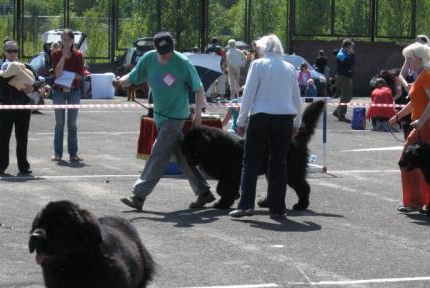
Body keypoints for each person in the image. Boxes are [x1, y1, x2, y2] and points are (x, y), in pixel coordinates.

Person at [113, 31, 215, 212]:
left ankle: (139, 195)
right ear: (155, 48)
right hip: (160, 116)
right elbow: (133, 77)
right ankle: (204, 192)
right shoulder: (148, 59)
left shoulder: (183, 62)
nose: (167, 54)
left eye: (170, 50)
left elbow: (199, 89)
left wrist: (198, 115)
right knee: (183, 157)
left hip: (176, 116)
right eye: (163, 51)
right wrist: (120, 82)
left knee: (158, 154)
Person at [230, 34, 302, 220]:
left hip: (261, 117)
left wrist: (241, 121)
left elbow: (249, 95)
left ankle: (246, 205)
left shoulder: (258, 65)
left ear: (263, 48)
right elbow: (297, 98)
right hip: (285, 118)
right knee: (279, 163)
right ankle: (278, 208)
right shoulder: (289, 68)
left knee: (251, 162)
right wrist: (297, 122)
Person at [387, 42, 430, 214]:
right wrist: (397, 116)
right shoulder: (420, 76)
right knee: (410, 162)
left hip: (429, 124)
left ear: (419, 59)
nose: (407, 62)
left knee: (419, 164)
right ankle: (418, 202)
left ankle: (429, 204)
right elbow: (415, 103)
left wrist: (421, 120)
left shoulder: (426, 75)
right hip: (422, 124)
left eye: (409, 59)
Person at [0, 41, 36, 176]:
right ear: (4, 52)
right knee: (3, 137)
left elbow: (35, 82)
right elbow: (0, 82)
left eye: (15, 51)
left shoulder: (26, 66)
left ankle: (23, 166)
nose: (13, 53)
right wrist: (15, 71)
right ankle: (0, 166)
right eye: (9, 51)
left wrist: (39, 87)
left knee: (22, 137)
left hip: (23, 105)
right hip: (5, 105)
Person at [51, 29, 86, 162]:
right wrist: (63, 58)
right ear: (61, 41)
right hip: (59, 92)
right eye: (63, 39)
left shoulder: (78, 55)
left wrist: (67, 75)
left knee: (72, 124)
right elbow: (57, 73)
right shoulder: (56, 54)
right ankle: (57, 153)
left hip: (73, 92)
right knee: (59, 123)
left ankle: (73, 153)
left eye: (68, 39)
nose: (66, 42)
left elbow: (80, 75)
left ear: (72, 41)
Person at [332, 38, 355, 122]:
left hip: (347, 77)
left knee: (348, 97)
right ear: (346, 47)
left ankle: (337, 111)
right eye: (350, 47)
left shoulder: (346, 53)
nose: (351, 49)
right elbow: (349, 64)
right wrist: (351, 54)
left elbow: (352, 63)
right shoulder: (341, 54)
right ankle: (341, 115)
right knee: (345, 96)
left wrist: (351, 54)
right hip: (343, 77)